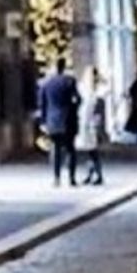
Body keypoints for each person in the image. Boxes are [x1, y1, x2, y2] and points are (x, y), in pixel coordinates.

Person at [37, 58, 81, 187]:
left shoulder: (46, 83)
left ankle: (56, 178)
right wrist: (73, 110)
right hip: (68, 120)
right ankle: (72, 178)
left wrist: (43, 121)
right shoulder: (70, 81)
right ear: (64, 67)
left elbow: (42, 104)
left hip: (53, 121)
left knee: (55, 149)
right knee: (70, 149)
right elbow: (77, 99)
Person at [76, 68, 108, 185]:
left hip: (89, 123)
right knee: (90, 152)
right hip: (86, 122)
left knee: (92, 151)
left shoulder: (93, 91)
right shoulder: (88, 89)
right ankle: (92, 174)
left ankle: (96, 174)